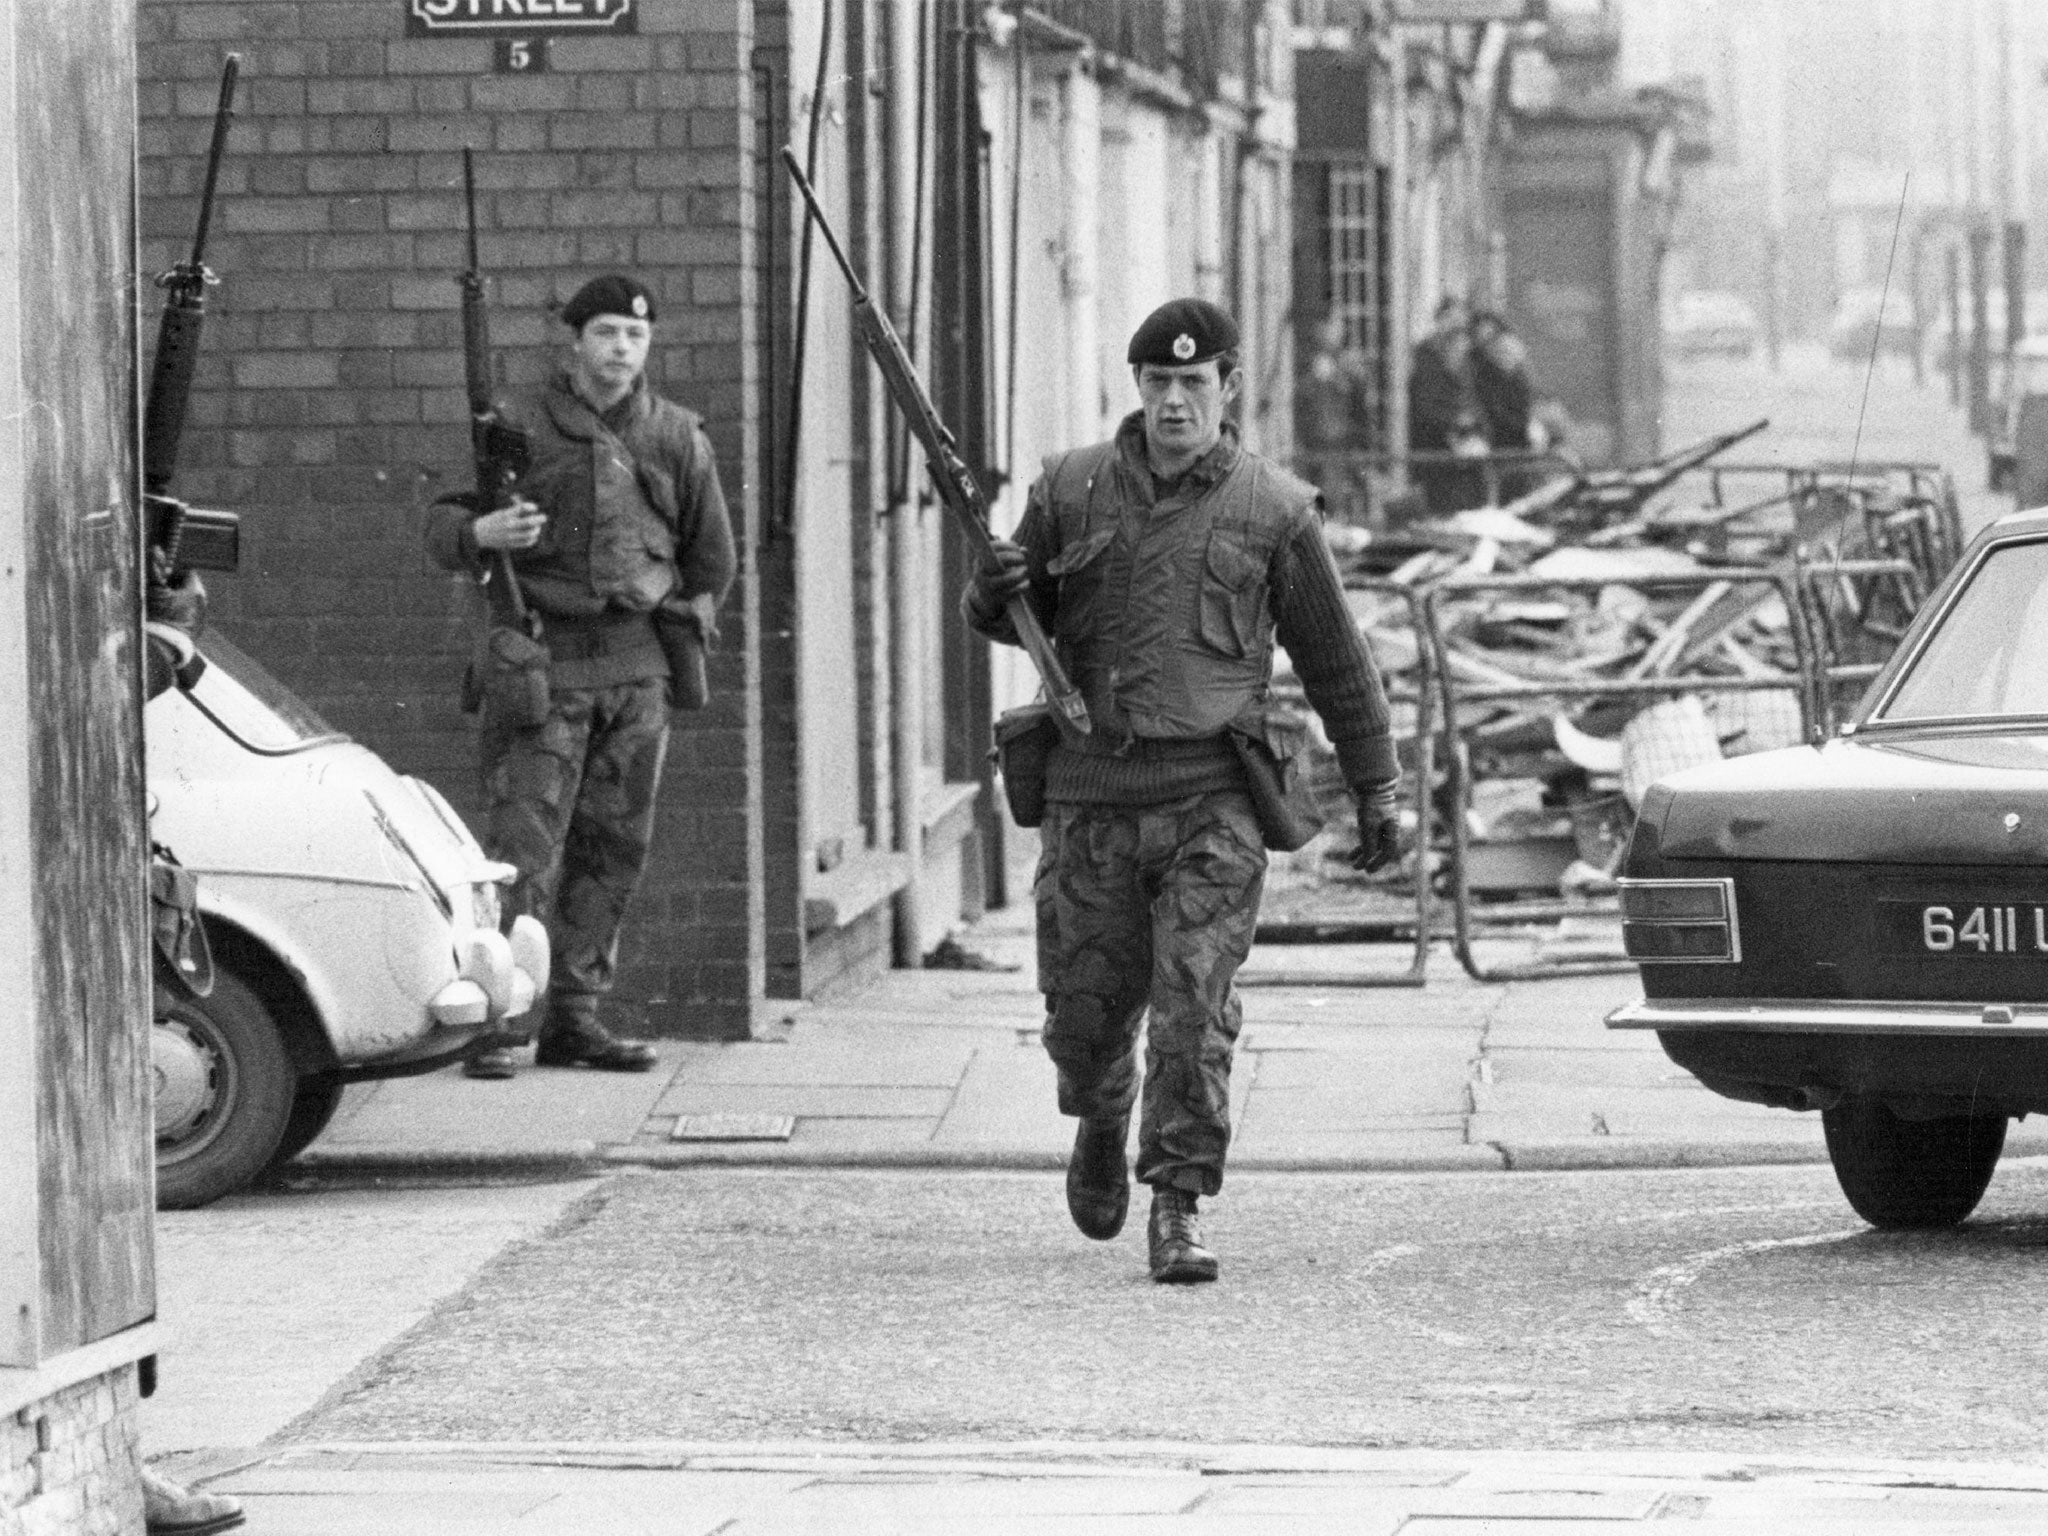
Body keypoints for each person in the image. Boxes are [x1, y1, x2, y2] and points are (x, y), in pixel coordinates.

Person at [966, 298, 1402, 1284]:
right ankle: (1099, 1112)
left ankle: (1176, 1201)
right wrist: (991, 589)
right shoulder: (1069, 490)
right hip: (1089, 804)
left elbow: (1336, 660)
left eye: (1192, 384)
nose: (1173, 401)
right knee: (1082, 1022)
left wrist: (1378, 790)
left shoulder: (1270, 510)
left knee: (1191, 1010)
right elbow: (1005, 613)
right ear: (1137, 388)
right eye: (1157, 383)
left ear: (1227, 387)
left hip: (1211, 802)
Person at [426, 273, 736, 1079]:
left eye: (634, 336)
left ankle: (575, 1017)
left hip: (637, 672)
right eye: (604, 333)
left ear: (648, 346)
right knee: (522, 847)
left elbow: (712, 560)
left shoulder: (675, 436)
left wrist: (680, 623)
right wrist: (483, 530)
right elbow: (440, 523)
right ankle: (501, 1023)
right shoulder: (519, 428)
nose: (620, 349)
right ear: (576, 343)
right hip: (546, 665)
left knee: (612, 846)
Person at [1406, 295, 1489, 513]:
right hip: (1441, 455)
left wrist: (1477, 428)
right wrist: (1455, 423)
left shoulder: (1470, 363)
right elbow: (1424, 409)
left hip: (1468, 453)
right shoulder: (1427, 362)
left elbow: (1478, 401)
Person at [1469, 308, 1544, 499]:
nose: (1506, 357)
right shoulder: (1485, 376)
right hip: (1501, 446)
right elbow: (1493, 412)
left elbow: (1526, 407)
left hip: (1517, 446)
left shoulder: (1519, 379)